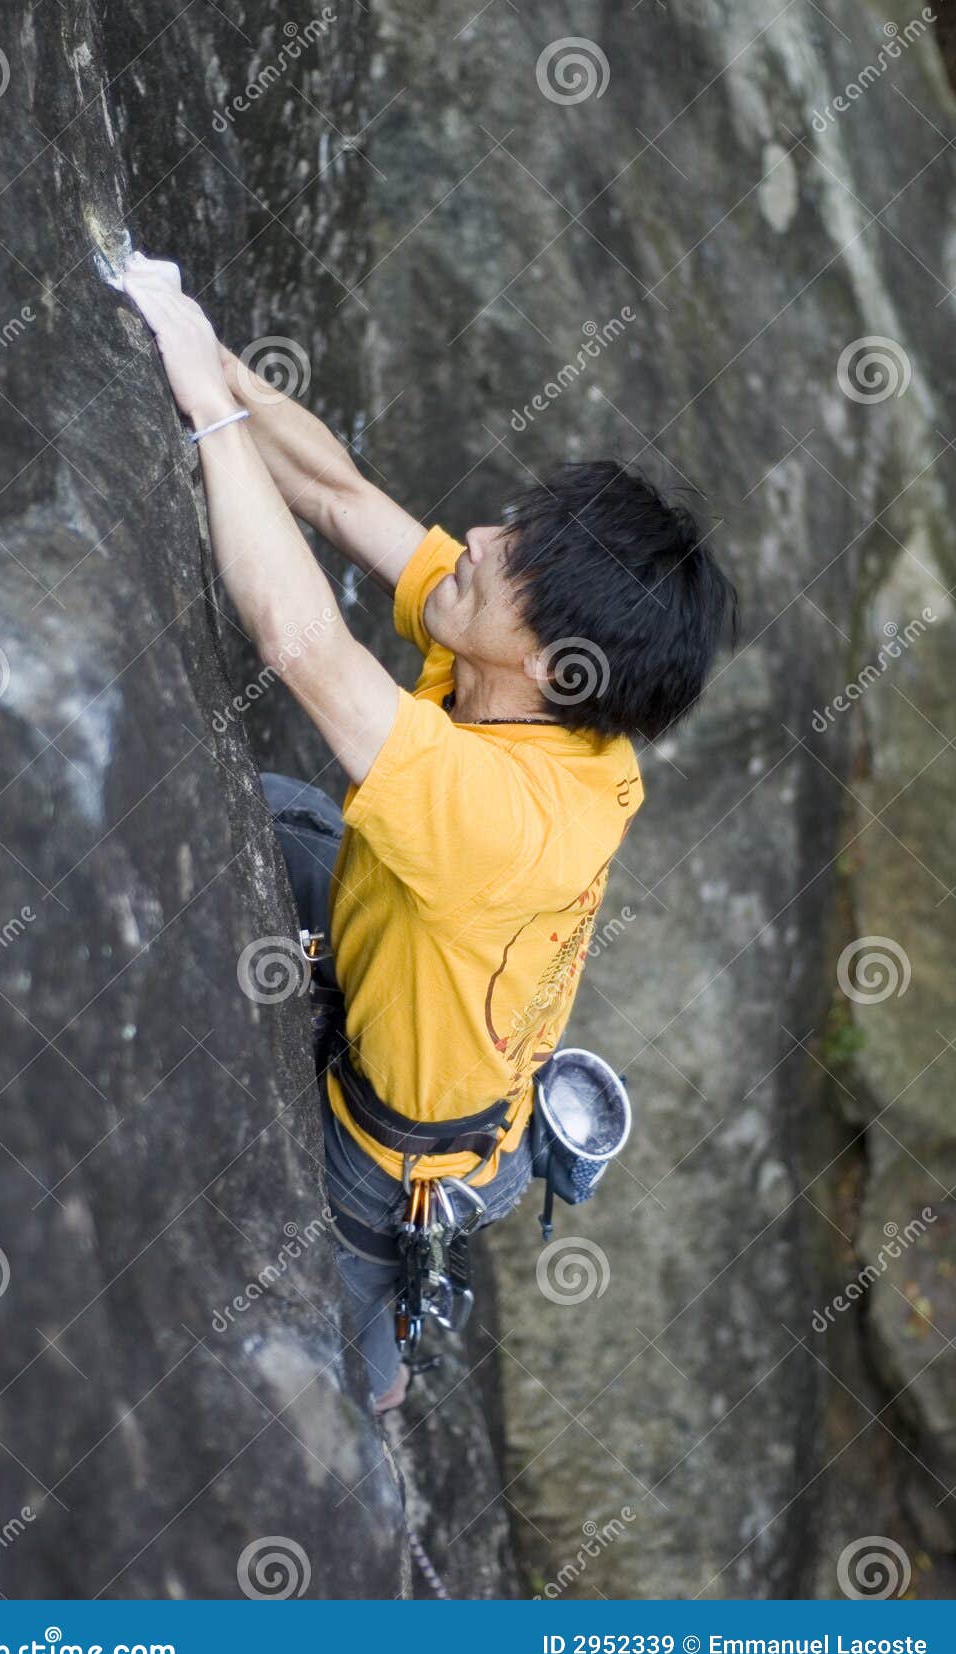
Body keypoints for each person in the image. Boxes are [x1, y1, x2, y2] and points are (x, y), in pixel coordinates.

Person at [122, 254, 737, 1413]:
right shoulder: (543, 689)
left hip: (391, 1153)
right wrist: (197, 347)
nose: (476, 537)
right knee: (281, 811)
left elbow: (302, 647)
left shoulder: (510, 820)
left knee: (328, 1388)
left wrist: (207, 412)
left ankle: (385, 1362)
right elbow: (340, 497)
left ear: (555, 663)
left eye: (515, 556)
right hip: (395, 951)